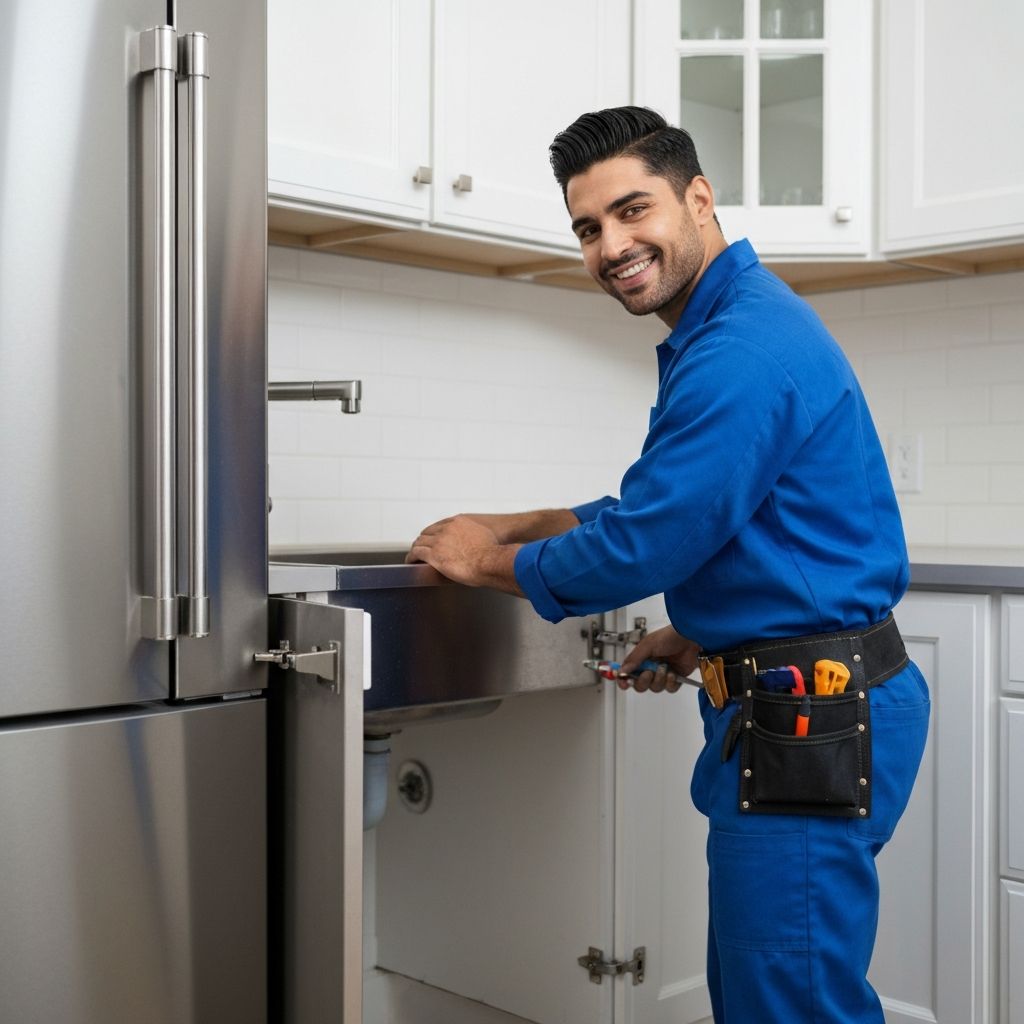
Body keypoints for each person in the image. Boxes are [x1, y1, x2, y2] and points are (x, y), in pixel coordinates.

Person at [407, 106, 930, 1023]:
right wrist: (702, 632)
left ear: (697, 198)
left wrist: (486, 559)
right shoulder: (729, 327)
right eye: (587, 227)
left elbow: (647, 541)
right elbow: (728, 518)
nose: (612, 244)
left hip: (810, 714)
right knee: (765, 993)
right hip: (802, 699)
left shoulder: (741, 349)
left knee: (791, 1005)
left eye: (632, 210)